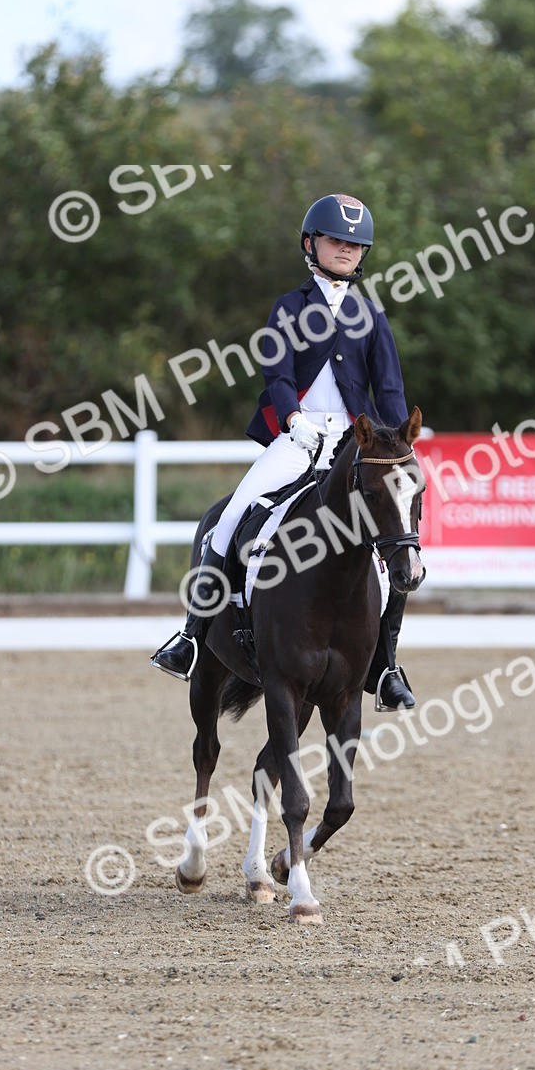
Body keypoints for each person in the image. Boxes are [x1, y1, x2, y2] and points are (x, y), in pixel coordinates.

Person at [151, 192, 417, 710]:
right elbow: (276, 374)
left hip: (356, 444)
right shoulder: (289, 307)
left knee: (392, 547)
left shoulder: (371, 315)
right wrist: (293, 421)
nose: (346, 249)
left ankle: (386, 666)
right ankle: (191, 635)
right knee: (230, 518)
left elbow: (389, 389)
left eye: (355, 244)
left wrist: (397, 443)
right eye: (335, 240)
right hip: (298, 437)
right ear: (310, 244)